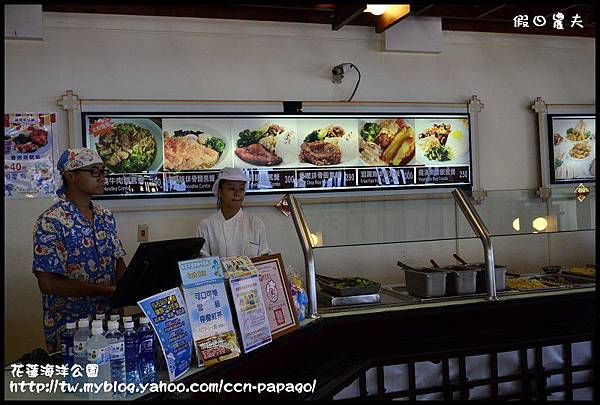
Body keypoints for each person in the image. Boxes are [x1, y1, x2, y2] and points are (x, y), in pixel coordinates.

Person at [32, 148, 126, 352]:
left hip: (110, 323)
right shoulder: (51, 221)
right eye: (94, 171)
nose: (102, 178)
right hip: (71, 326)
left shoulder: (106, 216)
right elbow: (48, 284)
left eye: (103, 171)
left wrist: (131, 287)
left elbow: (118, 261)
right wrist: (105, 290)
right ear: (71, 175)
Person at [197, 167, 271, 258]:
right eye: (231, 188)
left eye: (241, 189)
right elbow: (203, 262)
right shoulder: (206, 225)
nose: (237, 194)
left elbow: (264, 257)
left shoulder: (255, 223)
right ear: (220, 192)